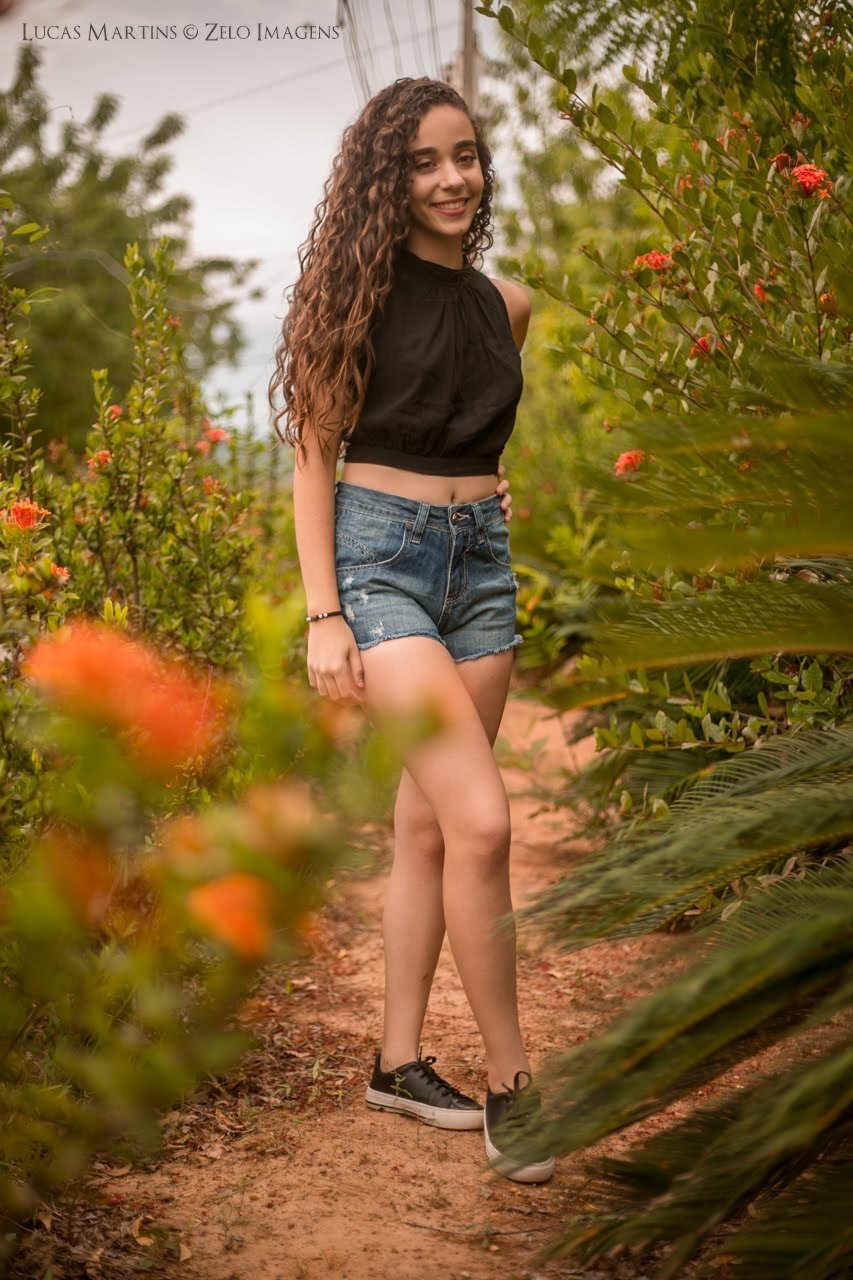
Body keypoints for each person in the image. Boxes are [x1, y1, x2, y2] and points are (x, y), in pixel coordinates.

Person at [269, 76, 554, 1185]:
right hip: (379, 565)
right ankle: (516, 1082)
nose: (450, 178)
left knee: (429, 823)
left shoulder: (507, 305)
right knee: (482, 821)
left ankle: (396, 1061)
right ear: (385, 179)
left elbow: (469, 430)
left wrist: (485, 492)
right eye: (424, 161)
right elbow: (313, 460)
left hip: (479, 569)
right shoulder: (350, 299)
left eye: (465, 156)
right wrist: (324, 615)